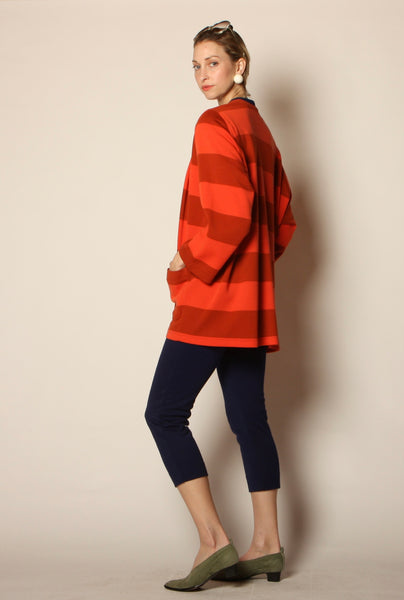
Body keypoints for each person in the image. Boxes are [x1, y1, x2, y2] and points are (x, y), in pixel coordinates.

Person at [144, 20, 296, 592]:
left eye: (212, 62)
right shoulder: (261, 131)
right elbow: (282, 220)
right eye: (196, 66)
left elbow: (231, 218)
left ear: (239, 65)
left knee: (163, 413)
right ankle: (268, 544)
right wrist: (253, 269)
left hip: (215, 301)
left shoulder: (215, 125)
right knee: (249, 417)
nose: (203, 75)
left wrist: (187, 260)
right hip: (250, 305)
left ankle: (213, 541)